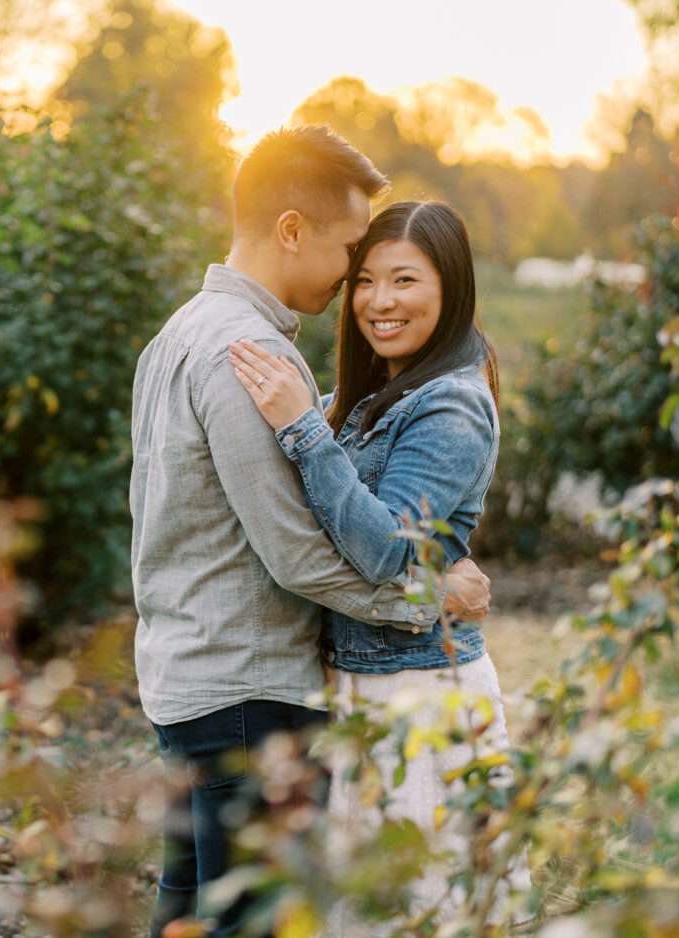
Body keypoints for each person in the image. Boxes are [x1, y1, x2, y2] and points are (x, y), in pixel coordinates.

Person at [130, 129, 493, 938]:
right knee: (249, 921)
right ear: (292, 230)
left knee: (189, 908)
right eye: (349, 253)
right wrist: (426, 601)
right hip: (248, 691)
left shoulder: (177, 334)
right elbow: (299, 555)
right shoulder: (247, 353)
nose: (353, 281)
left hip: (186, 676)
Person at [229, 200, 524, 927]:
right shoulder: (367, 400)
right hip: (361, 687)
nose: (379, 303)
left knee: (419, 908)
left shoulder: (451, 404)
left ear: (450, 287)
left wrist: (301, 425)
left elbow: (385, 546)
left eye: (404, 281)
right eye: (365, 281)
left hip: (420, 690)